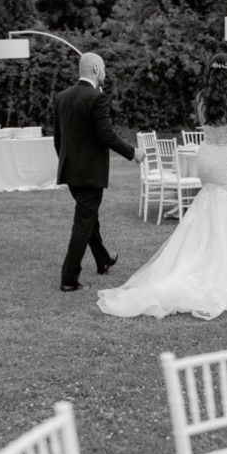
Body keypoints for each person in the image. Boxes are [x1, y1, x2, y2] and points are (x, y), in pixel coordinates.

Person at [97, 53, 227, 320]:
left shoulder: (200, 98)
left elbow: (209, 128)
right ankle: (223, 270)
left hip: (207, 159)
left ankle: (208, 260)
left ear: (210, 73)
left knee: (211, 213)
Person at [53, 52, 144, 292]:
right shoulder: (97, 98)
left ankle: (103, 260)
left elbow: (58, 139)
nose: (105, 72)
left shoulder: (62, 96)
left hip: (70, 171)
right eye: (103, 68)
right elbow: (107, 135)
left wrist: (67, 163)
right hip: (90, 173)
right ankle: (69, 279)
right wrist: (132, 152)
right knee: (84, 222)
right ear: (95, 69)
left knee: (89, 216)